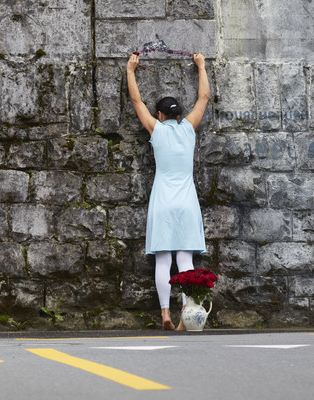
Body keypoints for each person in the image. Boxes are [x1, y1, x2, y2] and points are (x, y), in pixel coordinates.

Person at [126, 52, 210, 330]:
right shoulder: (188, 128)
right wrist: (201, 66)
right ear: (180, 114)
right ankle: (186, 313)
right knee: (185, 260)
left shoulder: (157, 129)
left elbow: (136, 101)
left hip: (162, 202)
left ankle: (164, 312)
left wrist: (130, 70)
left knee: (163, 260)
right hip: (186, 203)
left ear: (160, 115)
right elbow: (203, 98)